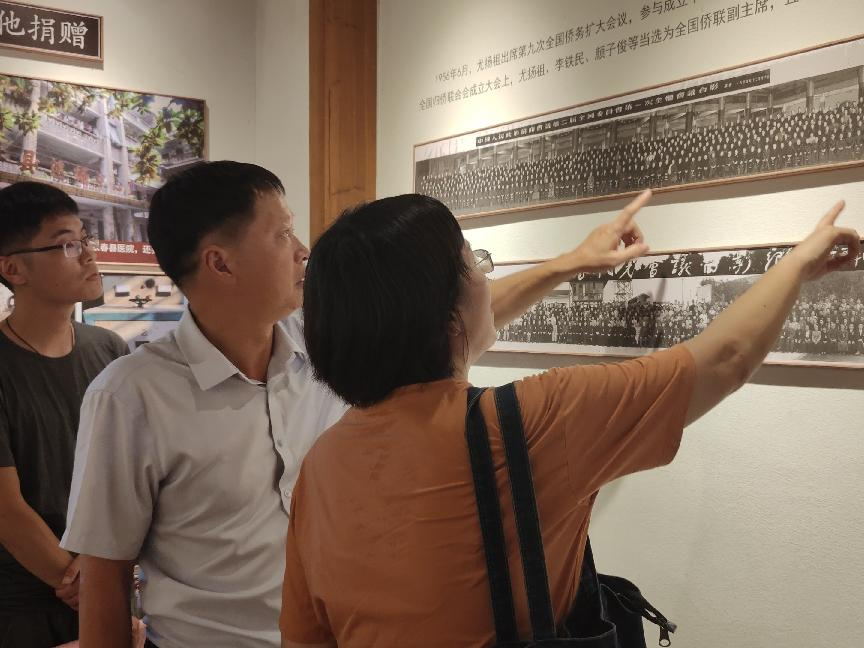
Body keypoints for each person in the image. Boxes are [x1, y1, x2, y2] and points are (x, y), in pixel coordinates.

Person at [61, 162, 649, 648]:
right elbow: (105, 576)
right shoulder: (131, 396)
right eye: (282, 235)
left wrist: (570, 263)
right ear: (220, 262)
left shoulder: (321, 347)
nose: (302, 251)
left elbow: (452, 315)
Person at [281, 193, 859, 648]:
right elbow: (724, 359)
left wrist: (575, 261)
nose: (486, 278)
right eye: (474, 262)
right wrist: (798, 262)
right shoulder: (528, 422)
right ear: (447, 309)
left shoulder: (321, 466)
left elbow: (305, 638)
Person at [0, 181, 128, 648]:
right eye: (67, 244)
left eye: (86, 239)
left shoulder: (109, 350)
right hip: (25, 601)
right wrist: (83, 587)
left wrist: (111, 584)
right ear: (13, 269)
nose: (89, 255)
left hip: (109, 577)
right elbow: (7, 510)